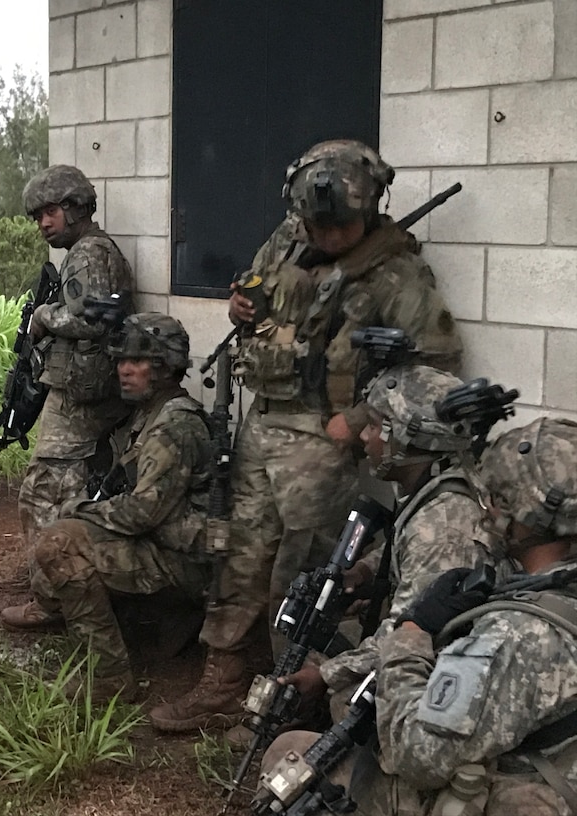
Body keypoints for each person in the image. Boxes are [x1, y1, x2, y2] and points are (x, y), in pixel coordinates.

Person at [150, 139, 463, 734]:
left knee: (305, 575)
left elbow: (437, 366)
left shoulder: (398, 272)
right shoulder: (292, 235)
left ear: (370, 207)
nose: (324, 235)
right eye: (315, 223)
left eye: (337, 226)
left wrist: (365, 418)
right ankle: (222, 682)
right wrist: (242, 307)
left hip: (321, 440)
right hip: (261, 422)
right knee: (237, 555)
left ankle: (298, 702)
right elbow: (258, 291)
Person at [259, 417, 577, 815]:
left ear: (524, 516)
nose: (485, 509)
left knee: (289, 755)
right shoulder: (555, 593)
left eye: (496, 499)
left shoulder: (516, 634)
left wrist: (413, 632)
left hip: (521, 792)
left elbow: (416, 757)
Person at [274, 364, 516, 725]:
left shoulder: (443, 524)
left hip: (446, 665)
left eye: (374, 426)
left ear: (406, 439)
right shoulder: (436, 484)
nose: (364, 437)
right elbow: (413, 555)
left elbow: (408, 634)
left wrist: (325, 676)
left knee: (347, 698)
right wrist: (367, 570)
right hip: (439, 643)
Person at [2, 313, 213, 701]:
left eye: (137, 362)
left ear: (166, 368)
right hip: (163, 545)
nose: (124, 370)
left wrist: (81, 511)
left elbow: (142, 513)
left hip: (181, 559)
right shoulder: (150, 413)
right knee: (64, 540)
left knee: (60, 547)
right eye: (120, 361)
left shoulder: (174, 426)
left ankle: (110, 676)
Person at [9, 164, 135, 626]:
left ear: (75, 207)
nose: (43, 223)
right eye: (37, 215)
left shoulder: (87, 254)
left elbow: (93, 319)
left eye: (49, 212)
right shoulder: (89, 252)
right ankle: (80, 588)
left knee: (41, 493)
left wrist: (45, 316)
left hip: (83, 397)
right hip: (91, 390)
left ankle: (53, 598)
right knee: (79, 493)